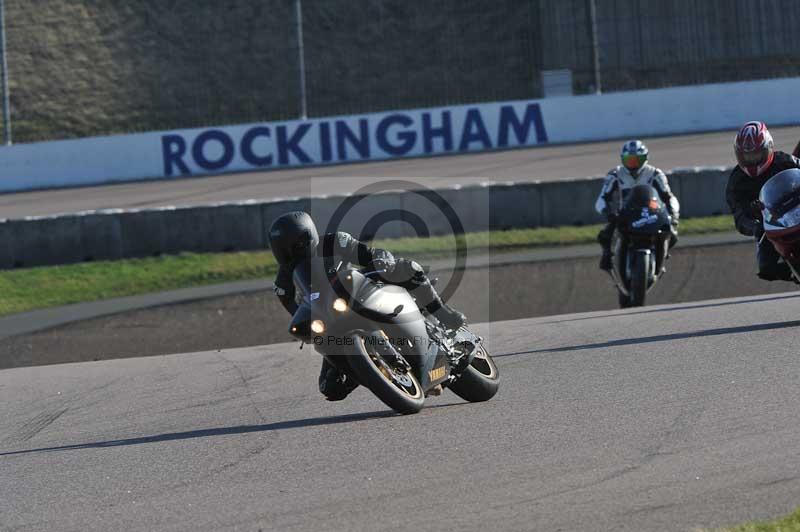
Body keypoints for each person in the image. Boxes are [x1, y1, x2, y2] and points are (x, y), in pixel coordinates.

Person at [268, 211, 466, 401]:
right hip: (332, 319)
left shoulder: (334, 242)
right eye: (282, 249)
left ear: (307, 237)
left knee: (408, 269)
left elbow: (369, 254)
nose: (288, 253)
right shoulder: (285, 275)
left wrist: (382, 261)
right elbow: (288, 301)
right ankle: (369, 369)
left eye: (293, 246)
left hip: (362, 293)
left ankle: (443, 314)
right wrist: (307, 324)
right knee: (330, 388)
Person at [725, 121, 800, 281]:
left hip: (795, 211)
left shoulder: (786, 161)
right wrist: (755, 225)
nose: (751, 161)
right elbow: (739, 217)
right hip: (771, 225)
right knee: (767, 268)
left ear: (768, 147)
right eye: (746, 156)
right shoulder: (736, 183)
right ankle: (794, 274)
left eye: (756, 155)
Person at [594, 140, 680, 271]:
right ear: (622, 159)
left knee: (671, 234)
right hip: (625, 215)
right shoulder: (615, 174)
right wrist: (608, 213)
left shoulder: (655, 174)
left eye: (636, 160)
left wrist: (673, 215)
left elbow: (669, 196)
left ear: (645, 158)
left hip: (651, 214)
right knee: (605, 236)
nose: (632, 164)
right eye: (629, 160)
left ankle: (661, 258)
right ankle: (607, 256)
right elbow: (602, 198)